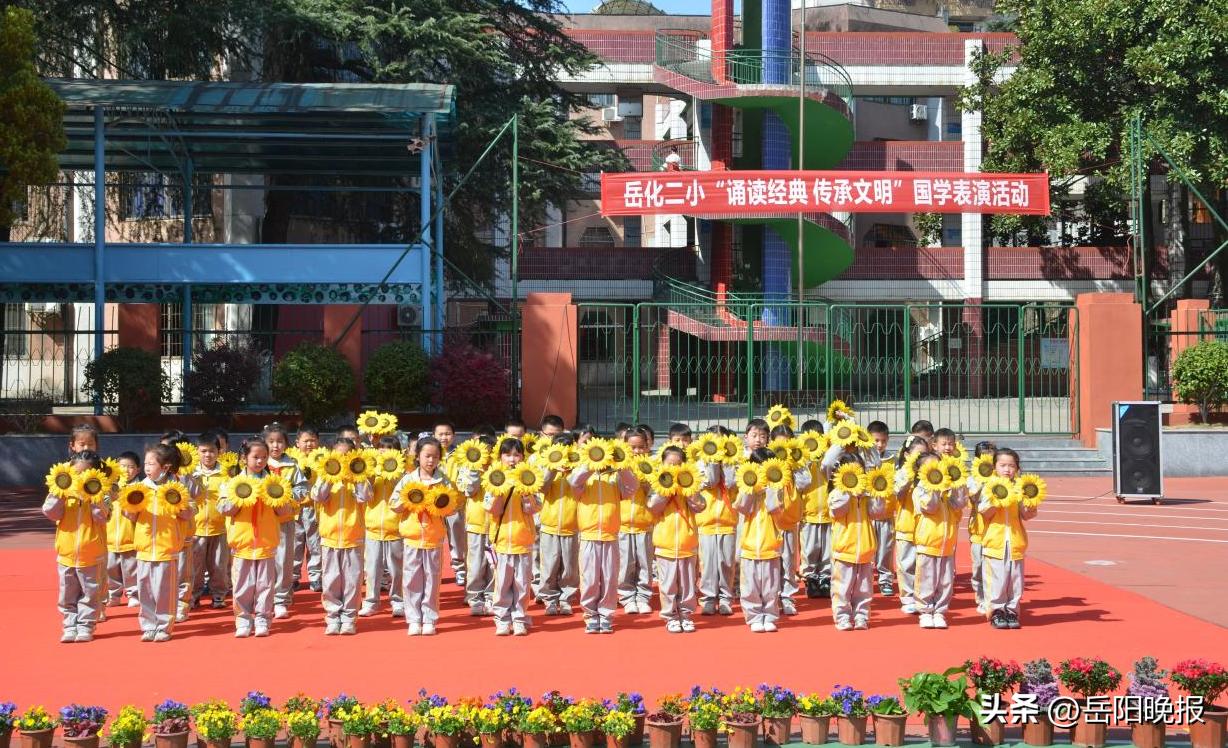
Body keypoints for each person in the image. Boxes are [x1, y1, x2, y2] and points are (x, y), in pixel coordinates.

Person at [218, 437, 293, 637]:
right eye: (255, 457)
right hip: (242, 545)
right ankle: (243, 620)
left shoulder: (274, 483)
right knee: (242, 585)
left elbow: (285, 512)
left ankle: (262, 619)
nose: (260, 461)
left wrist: (279, 497)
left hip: (266, 545)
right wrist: (240, 497)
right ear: (244, 458)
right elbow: (223, 509)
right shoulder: (232, 483)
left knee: (265, 585)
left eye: (263, 457)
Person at [568, 434, 638, 634]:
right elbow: (573, 482)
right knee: (589, 579)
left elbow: (632, 488)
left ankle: (606, 614)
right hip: (589, 536)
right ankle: (590, 615)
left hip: (610, 536)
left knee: (609, 578)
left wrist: (620, 465)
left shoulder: (615, 477)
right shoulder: (583, 478)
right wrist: (591, 464)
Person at [128, 444, 192, 642]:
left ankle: (164, 626)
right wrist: (130, 507)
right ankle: (148, 625)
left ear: (165, 467)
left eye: (151, 464)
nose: (147, 467)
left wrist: (178, 506)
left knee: (164, 590)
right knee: (145, 590)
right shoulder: (138, 488)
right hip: (144, 548)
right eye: (145, 463)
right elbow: (128, 514)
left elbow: (189, 512)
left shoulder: (177, 488)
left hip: (167, 548)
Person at [44, 450, 109, 643]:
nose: (79, 478)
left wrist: (92, 496)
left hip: (91, 553)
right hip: (66, 552)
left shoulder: (102, 493)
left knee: (90, 593)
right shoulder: (61, 490)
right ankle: (69, 625)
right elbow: (50, 513)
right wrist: (61, 494)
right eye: (76, 473)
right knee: (67, 593)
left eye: (84, 474)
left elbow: (102, 517)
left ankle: (86, 625)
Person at [392, 437, 455, 636]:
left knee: (432, 580)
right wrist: (408, 502)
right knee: (411, 580)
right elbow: (394, 504)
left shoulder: (443, 480)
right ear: (417, 456)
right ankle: (413, 619)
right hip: (412, 538)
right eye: (427, 456)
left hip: (434, 538)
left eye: (435, 457)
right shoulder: (408, 480)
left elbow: (452, 506)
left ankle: (429, 618)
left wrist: (440, 505)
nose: (431, 460)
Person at [310, 438, 370, 635]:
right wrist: (330, 474)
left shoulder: (359, 478)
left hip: (353, 537)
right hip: (330, 537)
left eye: (347, 456)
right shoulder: (325, 477)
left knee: (353, 580)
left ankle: (349, 617)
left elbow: (365, 497)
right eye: (339, 456)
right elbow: (318, 496)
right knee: (331, 579)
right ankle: (333, 617)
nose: (343, 460)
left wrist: (357, 474)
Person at [484, 438, 542, 636]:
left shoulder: (530, 479)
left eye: (516, 454)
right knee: (502, 584)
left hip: (523, 540)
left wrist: (527, 492)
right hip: (501, 542)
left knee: (522, 583)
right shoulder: (493, 478)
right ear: (500, 457)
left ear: (522, 457)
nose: (512, 459)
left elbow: (534, 509)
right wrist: (500, 490)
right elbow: (492, 509)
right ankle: (502, 618)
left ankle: (519, 617)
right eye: (507, 454)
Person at [828, 454, 890, 630]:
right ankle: (842, 617)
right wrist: (848, 492)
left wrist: (877, 494)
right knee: (842, 587)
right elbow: (837, 511)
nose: (857, 476)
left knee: (864, 588)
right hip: (844, 549)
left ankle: (861, 615)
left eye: (860, 472)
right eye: (852, 472)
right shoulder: (836, 493)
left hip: (865, 549)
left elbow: (877, 512)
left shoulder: (865, 496)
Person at [647, 445, 704, 633]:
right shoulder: (657, 485)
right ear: (662, 464)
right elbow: (653, 507)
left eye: (678, 465)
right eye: (669, 464)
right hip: (665, 544)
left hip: (687, 543)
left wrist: (688, 490)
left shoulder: (690, 484)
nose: (673, 468)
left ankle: (686, 614)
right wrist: (667, 489)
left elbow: (701, 506)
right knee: (668, 584)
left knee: (688, 583)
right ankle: (670, 615)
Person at [979, 448, 1036, 629]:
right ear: (995, 467)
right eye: (1002, 465)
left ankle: (1012, 610)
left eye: (1011, 466)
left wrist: (1029, 501)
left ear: (1017, 469)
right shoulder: (989, 487)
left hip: (1015, 541)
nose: (1007, 470)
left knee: (1015, 579)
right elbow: (985, 513)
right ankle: (996, 611)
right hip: (995, 542)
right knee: (997, 579)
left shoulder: (1020, 488)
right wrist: (998, 499)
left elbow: (1027, 515)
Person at [734, 447, 788, 633]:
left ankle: (770, 615)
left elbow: (776, 509)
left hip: (770, 545)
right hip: (749, 546)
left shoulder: (778, 487)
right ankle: (754, 617)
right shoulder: (746, 486)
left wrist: (771, 487)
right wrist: (752, 487)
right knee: (750, 586)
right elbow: (742, 507)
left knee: (770, 587)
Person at [912, 451, 967, 629]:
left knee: (945, 581)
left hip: (947, 544)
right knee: (926, 579)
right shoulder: (919, 489)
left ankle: (940, 611)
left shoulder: (947, 488)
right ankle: (926, 611)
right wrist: (934, 485)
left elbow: (959, 503)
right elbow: (930, 507)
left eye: (937, 465)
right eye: (929, 467)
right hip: (928, 543)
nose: (935, 470)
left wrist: (957, 483)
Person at [266, 423, 309, 618]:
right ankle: (264, 597)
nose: (275, 446)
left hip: (285, 519)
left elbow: (302, 490)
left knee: (284, 560)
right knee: (265, 560)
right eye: (271, 442)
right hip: (263, 521)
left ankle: (281, 598)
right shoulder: (259, 463)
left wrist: (287, 498)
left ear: (286, 444)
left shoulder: (292, 465)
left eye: (279, 442)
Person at [361, 435, 405, 618]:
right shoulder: (371, 473)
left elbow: (403, 496)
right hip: (372, 529)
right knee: (372, 569)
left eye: (389, 448)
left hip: (395, 529)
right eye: (381, 448)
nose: (384, 452)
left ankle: (398, 601)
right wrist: (370, 476)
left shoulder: (403, 474)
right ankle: (371, 601)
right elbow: (365, 497)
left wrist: (394, 474)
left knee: (396, 569)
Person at [696, 425, 737, 616]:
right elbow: (711, 481)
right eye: (714, 441)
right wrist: (712, 461)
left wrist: (727, 462)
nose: (717, 446)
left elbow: (730, 483)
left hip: (728, 521)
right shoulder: (699, 463)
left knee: (727, 562)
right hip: (707, 521)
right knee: (708, 564)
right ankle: (708, 598)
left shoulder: (735, 461)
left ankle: (726, 598)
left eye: (721, 441)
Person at [537, 434, 579, 616]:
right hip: (550, 525)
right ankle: (550, 599)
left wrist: (571, 470)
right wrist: (552, 468)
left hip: (572, 526)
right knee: (549, 565)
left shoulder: (578, 468)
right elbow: (541, 488)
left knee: (569, 567)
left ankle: (566, 598)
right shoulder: (546, 468)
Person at [768, 425, 808, 616]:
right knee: (772, 562)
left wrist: (795, 462)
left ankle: (788, 596)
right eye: (779, 444)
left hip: (790, 520)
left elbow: (805, 483)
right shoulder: (767, 463)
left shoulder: (797, 463)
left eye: (787, 444)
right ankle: (772, 596)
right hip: (771, 523)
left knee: (789, 562)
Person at [457, 434, 497, 616]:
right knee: (475, 563)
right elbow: (469, 491)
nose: (485, 456)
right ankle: (474, 596)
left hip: (496, 524)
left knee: (493, 564)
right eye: (481, 452)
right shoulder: (467, 468)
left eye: (488, 452)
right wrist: (475, 469)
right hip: (476, 523)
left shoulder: (498, 469)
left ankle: (490, 595)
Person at [618, 427, 655, 615]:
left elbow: (656, 495)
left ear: (647, 446)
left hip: (644, 524)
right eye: (632, 447)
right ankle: (626, 597)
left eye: (641, 447)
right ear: (624, 446)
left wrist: (649, 485)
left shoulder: (653, 466)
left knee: (645, 565)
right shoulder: (620, 466)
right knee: (625, 564)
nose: (637, 451)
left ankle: (643, 597)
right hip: (622, 524)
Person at [191, 432, 230, 610]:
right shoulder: (190, 473)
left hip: (220, 528)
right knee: (194, 568)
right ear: (197, 452)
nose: (208, 455)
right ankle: (193, 595)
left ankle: (219, 595)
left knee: (219, 566)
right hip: (195, 529)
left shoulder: (226, 473)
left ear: (219, 451)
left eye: (212, 451)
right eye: (204, 451)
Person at [892, 435, 929, 614]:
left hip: (924, 528)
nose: (922, 458)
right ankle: (907, 597)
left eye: (925, 454)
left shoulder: (929, 476)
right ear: (907, 455)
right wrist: (909, 474)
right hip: (906, 525)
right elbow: (898, 493)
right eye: (918, 454)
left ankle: (922, 596)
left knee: (923, 565)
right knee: (906, 564)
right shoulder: (901, 473)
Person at [799, 420, 833, 600]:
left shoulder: (828, 458)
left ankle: (826, 577)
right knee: (810, 548)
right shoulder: (803, 460)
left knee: (828, 550)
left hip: (828, 513)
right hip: (809, 513)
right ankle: (810, 578)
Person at [105, 451, 142, 608]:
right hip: (110, 537)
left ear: (138, 469)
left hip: (131, 538)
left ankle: (133, 593)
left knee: (131, 569)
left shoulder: (140, 488)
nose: (126, 470)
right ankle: (114, 594)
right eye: (122, 467)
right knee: (111, 569)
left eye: (131, 467)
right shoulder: (109, 486)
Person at [966, 440, 997, 615]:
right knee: (978, 566)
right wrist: (981, 481)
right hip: (977, 530)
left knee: (992, 567)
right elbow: (973, 499)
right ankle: (980, 597)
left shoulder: (1000, 479)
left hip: (994, 531)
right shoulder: (973, 479)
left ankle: (991, 598)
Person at [434, 420, 467, 585]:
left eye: (447, 434)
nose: (443, 437)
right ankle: (434, 571)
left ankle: (460, 570)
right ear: (434, 435)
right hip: (434, 507)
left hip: (456, 505)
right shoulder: (431, 455)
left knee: (457, 540)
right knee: (435, 540)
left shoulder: (460, 455)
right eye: (440, 434)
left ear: (454, 436)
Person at [865, 421, 895, 595]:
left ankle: (885, 579)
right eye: (876, 440)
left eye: (883, 441)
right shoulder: (863, 459)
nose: (879, 444)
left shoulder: (892, 460)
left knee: (885, 549)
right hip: (867, 515)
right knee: (867, 549)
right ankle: (866, 579)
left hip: (886, 513)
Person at [293, 425, 323, 593]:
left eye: (313, 440)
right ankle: (293, 576)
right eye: (306, 441)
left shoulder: (323, 459)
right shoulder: (291, 460)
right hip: (296, 508)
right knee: (295, 543)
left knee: (315, 543)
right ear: (297, 443)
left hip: (314, 507)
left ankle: (315, 577)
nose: (310, 444)